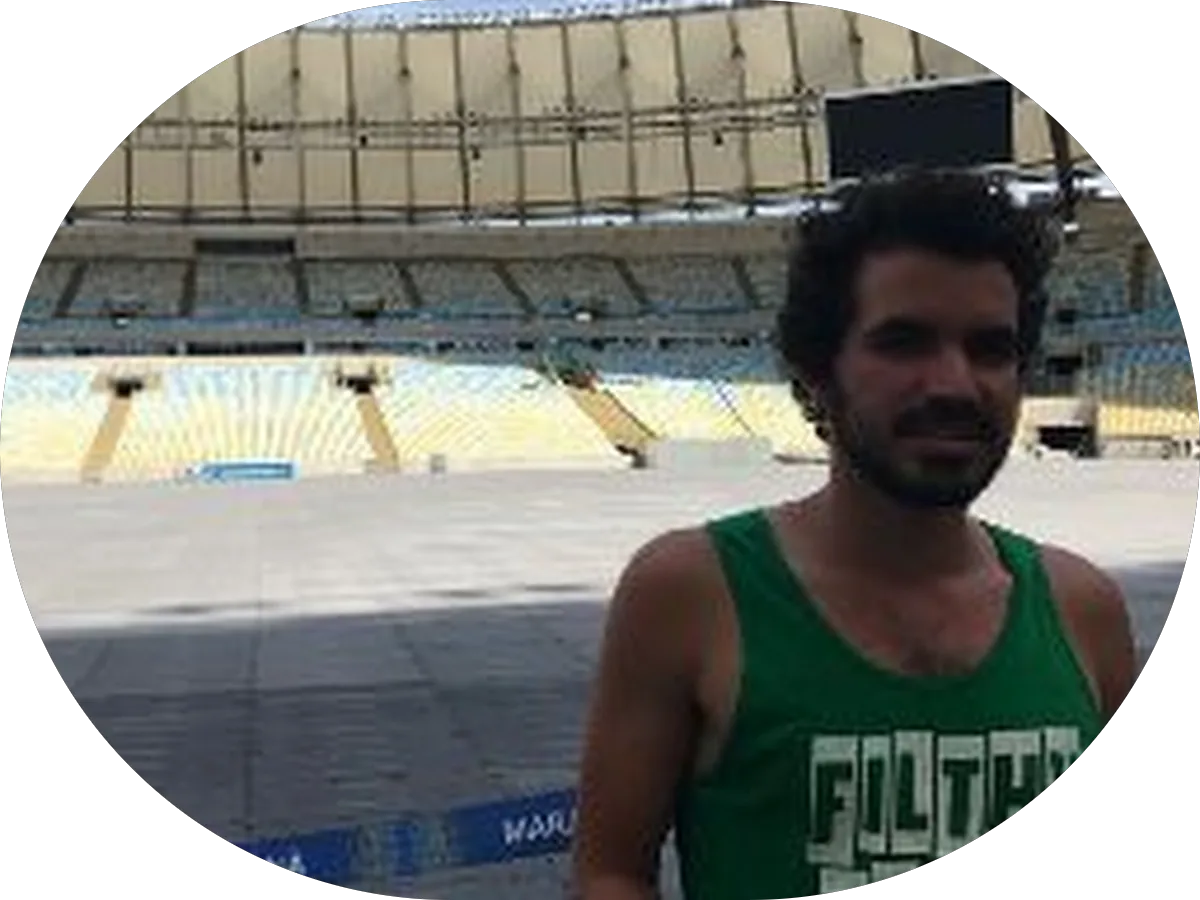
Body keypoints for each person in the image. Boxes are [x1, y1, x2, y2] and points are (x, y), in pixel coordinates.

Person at [571, 169, 1137, 900]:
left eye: (990, 348)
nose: (954, 384)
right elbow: (612, 874)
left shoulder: (1083, 608)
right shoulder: (689, 593)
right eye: (904, 342)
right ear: (817, 372)